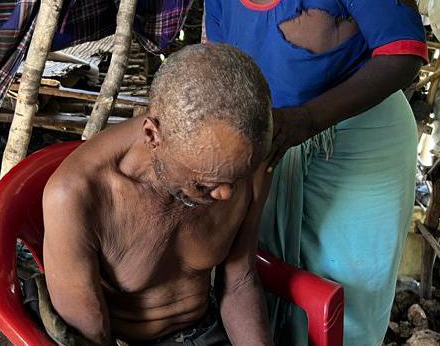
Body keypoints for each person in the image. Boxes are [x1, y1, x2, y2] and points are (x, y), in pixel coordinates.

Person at [166, 0, 427, 345]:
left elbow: (404, 53)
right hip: (275, 148)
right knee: (275, 290)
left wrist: (305, 121)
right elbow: (224, 76)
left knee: (344, 303)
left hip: (358, 146)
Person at [42, 43, 276, 346]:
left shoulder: (247, 161)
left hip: (206, 330)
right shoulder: (76, 195)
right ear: (153, 137)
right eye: (204, 183)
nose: (224, 194)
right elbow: (92, 337)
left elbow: (241, 281)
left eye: (236, 179)